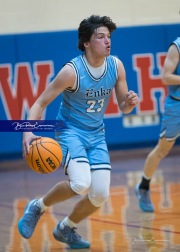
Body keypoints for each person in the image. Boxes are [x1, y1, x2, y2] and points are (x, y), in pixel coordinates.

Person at [18, 15, 139, 249]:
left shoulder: (116, 65)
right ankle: (38, 206)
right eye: (100, 37)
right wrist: (27, 133)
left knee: (100, 195)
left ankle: (66, 228)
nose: (107, 41)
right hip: (70, 131)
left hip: (96, 134)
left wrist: (130, 103)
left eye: (109, 37)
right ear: (86, 42)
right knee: (81, 183)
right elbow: (39, 103)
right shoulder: (71, 71)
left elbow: (124, 107)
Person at [135, 37, 180, 212]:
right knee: (162, 150)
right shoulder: (176, 47)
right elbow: (165, 77)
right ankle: (143, 187)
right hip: (176, 106)